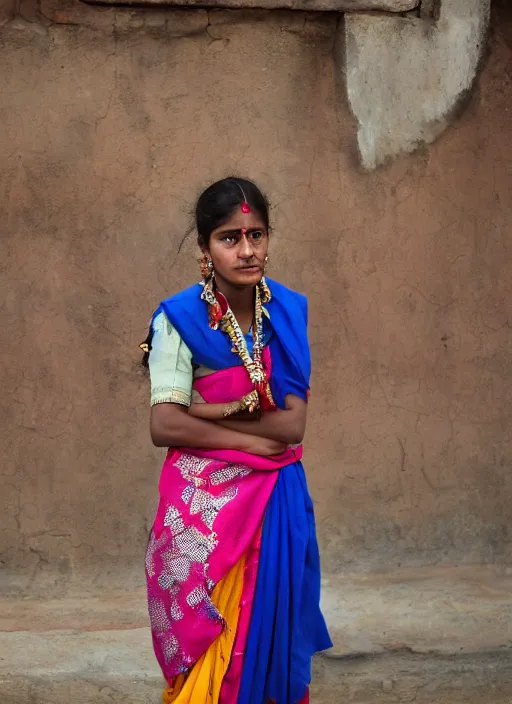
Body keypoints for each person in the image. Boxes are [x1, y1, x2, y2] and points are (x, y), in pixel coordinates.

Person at [141, 177, 332, 704]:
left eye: (257, 235)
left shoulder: (287, 315)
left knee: (268, 628)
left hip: (276, 502)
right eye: (230, 237)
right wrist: (248, 434)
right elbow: (165, 426)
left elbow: (292, 427)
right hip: (207, 507)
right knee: (216, 642)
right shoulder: (177, 321)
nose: (247, 250)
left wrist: (202, 414)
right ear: (205, 248)